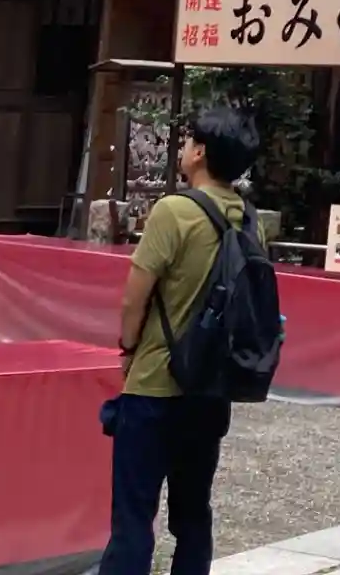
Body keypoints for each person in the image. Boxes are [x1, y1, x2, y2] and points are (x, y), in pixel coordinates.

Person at [99, 105, 260, 575]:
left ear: (201, 152)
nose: (185, 148)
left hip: (155, 383)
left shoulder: (174, 211)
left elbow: (134, 298)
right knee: (192, 513)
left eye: (190, 141)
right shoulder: (248, 219)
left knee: (134, 516)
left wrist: (128, 349)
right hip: (211, 387)